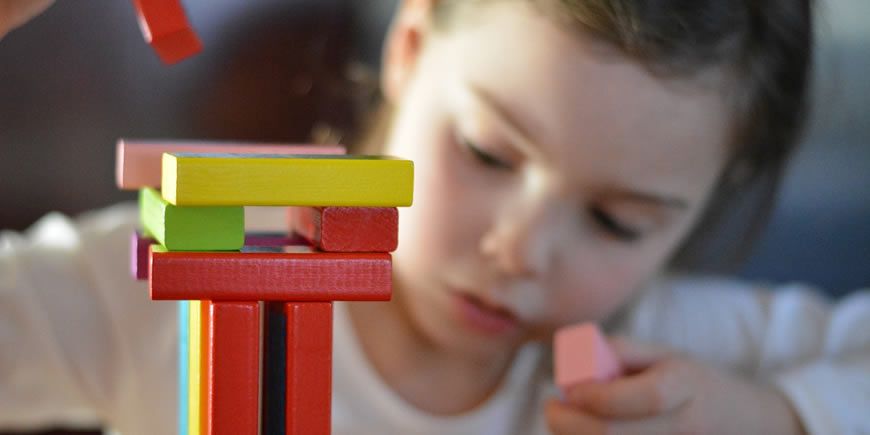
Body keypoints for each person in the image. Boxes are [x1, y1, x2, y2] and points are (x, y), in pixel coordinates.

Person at [1, 1, 868, 434]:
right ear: (409, 53)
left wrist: (776, 413)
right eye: (488, 153)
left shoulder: (653, 359)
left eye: (618, 220)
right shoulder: (189, 277)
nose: (520, 251)